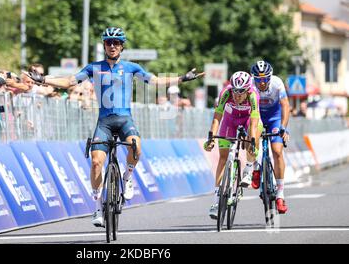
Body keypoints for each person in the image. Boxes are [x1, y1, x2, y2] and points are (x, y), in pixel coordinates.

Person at [28, 27, 204, 227]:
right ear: (104, 45)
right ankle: (97, 207)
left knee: (136, 147)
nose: (112, 46)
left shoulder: (131, 67)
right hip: (104, 122)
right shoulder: (94, 67)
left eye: (116, 42)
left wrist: (181, 78)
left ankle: (127, 176)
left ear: (122, 46)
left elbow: (155, 81)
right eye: (108, 42)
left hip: (124, 120)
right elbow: (69, 82)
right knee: (96, 163)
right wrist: (44, 80)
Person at [203, 71, 262, 220]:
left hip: (249, 120)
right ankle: (216, 202)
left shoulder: (253, 95)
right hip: (230, 121)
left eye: (241, 92)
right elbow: (217, 116)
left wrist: (252, 140)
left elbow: (255, 121)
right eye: (235, 91)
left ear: (247, 90)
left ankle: (249, 168)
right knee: (223, 157)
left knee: (253, 138)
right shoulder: (226, 93)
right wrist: (211, 137)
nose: (237, 95)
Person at [250, 60, 289, 214]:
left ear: (270, 77)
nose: (262, 83)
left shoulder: (277, 83)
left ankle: (280, 194)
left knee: (277, 150)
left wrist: (283, 128)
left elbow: (285, 105)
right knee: (253, 139)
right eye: (258, 80)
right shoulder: (251, 84)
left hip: (274, 116)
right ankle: (255, 168)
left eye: (265, 79)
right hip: (257, 115)